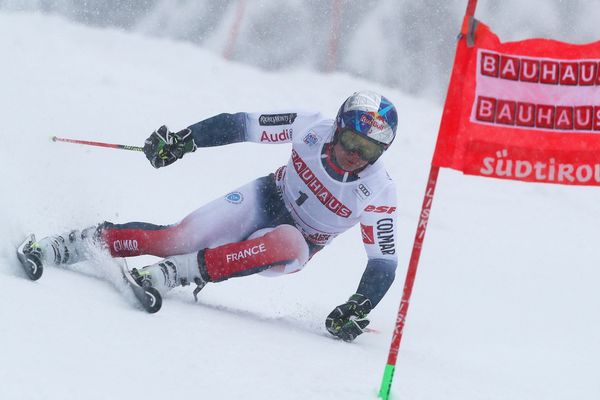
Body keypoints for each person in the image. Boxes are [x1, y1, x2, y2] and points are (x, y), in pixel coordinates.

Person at [17, 90, 399, 342]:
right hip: (268, 196)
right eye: (352, 142)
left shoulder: (379, 190)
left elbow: (383, 260)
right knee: (174, 239)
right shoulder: (310, 125)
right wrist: (184, 140)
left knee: (287, 241)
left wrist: (360, 304)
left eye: (370, 150)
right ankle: (64, 245)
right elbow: (241, 124)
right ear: (337, 128)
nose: (356, 156)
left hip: (300, 244)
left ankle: (174, 273)